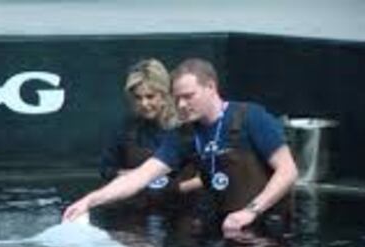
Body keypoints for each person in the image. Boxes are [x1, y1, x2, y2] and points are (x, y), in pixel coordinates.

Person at [63, 58, 298, 235]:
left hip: (269, 226)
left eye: (189, 96)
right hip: (228, 229)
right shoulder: (184, 135)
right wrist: (89, 201)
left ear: (211, 87)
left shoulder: (251, 117)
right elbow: (139, 178)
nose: (182, 105)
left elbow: (288, 171)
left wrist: (251, 211)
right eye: (177, 99)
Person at [99, 58, 200, 210]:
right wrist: (134, 176)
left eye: (150, 96)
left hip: (182, 209)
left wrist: (175, 188)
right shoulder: (126, 128)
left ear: (165, 95)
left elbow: (209, 174)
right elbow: (107, 169)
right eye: (138, 98)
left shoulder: (187, 127)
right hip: (138, 208)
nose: (144, 104)